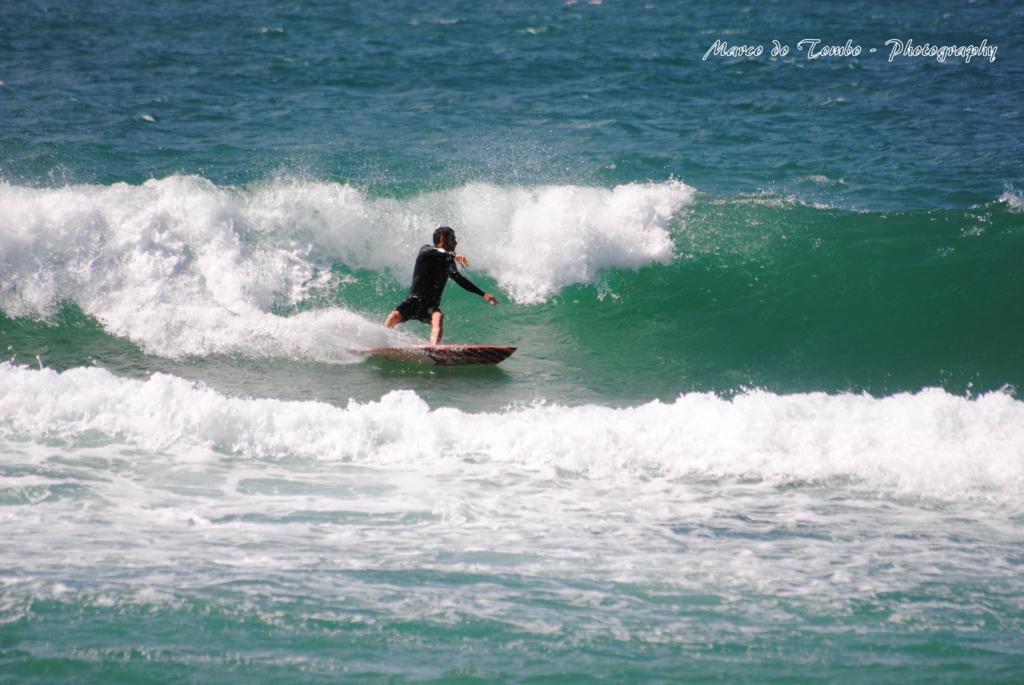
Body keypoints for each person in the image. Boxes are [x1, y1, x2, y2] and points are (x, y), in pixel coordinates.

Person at [384, 226, 498, 344]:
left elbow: (460, 279)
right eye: (453, 239)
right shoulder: (426, 251)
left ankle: (433, 349)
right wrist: (453, 255)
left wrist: (483, 294)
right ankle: (383, 340)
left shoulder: (448, 261)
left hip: (430, 305)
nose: (456, 243)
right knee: (394, 316)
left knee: (438, 317)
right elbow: (437, 251)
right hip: (414, 301)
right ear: (443, 239)